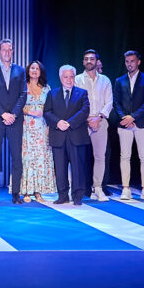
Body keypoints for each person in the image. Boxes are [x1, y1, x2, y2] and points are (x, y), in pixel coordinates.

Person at [0, 39, 27, 204]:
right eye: (4, 50)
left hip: (15, 121)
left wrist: (13, 114)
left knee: (16, 157)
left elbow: (23, 94)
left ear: (13, 51)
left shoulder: (20, 70)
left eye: (10, 50)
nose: (7, 53)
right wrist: (3, 114)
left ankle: (16, 194)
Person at [45, 65, 91, 205]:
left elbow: (85, 111)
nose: (69, 79)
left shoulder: (82, 93)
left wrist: (69, 123)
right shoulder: (52, 94)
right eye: (66, 77)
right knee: (60, 168)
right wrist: (58, 122)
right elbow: (47, 112)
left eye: (71, 76)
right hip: (58, 136)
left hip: (76, 135)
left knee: (78, 167)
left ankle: (77, 196)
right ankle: (62, 195)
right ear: (60, 78)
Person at [113, 50, 144, 201]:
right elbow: (116, 102)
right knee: (125, 156)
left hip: (141, 122)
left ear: (138, 62)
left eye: (132, 61)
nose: (129, 64)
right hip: (124, 123)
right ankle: (126, 189)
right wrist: (125, 118)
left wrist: (134, 117)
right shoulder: (119, 80)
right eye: (127, 61)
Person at [75, 49, 113, 202]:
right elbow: (76, 102)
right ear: (83, 62)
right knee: (79, 157)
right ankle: (78, 188)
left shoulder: (105, 80)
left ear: (97, 61)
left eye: (92, 58)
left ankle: (98, 188)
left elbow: (109, 102)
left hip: (100, 121)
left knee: (99, 156)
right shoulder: (77, 79)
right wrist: (88, 119)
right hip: (83, 122)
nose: (89, 61)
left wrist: (99, 117)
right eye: (86, 59)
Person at [21, 60, 57, 202]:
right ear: (28, 71)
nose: (34, 70)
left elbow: (51, 108)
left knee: (41, 159)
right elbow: (17, 106)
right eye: (32, 68)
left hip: (42, 127)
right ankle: (26, 191)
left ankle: (38, 191)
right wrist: (31, 111)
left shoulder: (47, 88)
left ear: (41, 71)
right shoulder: (23, 87)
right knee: (27, 159)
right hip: (26, 128)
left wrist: (48, 125)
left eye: (37, 68)